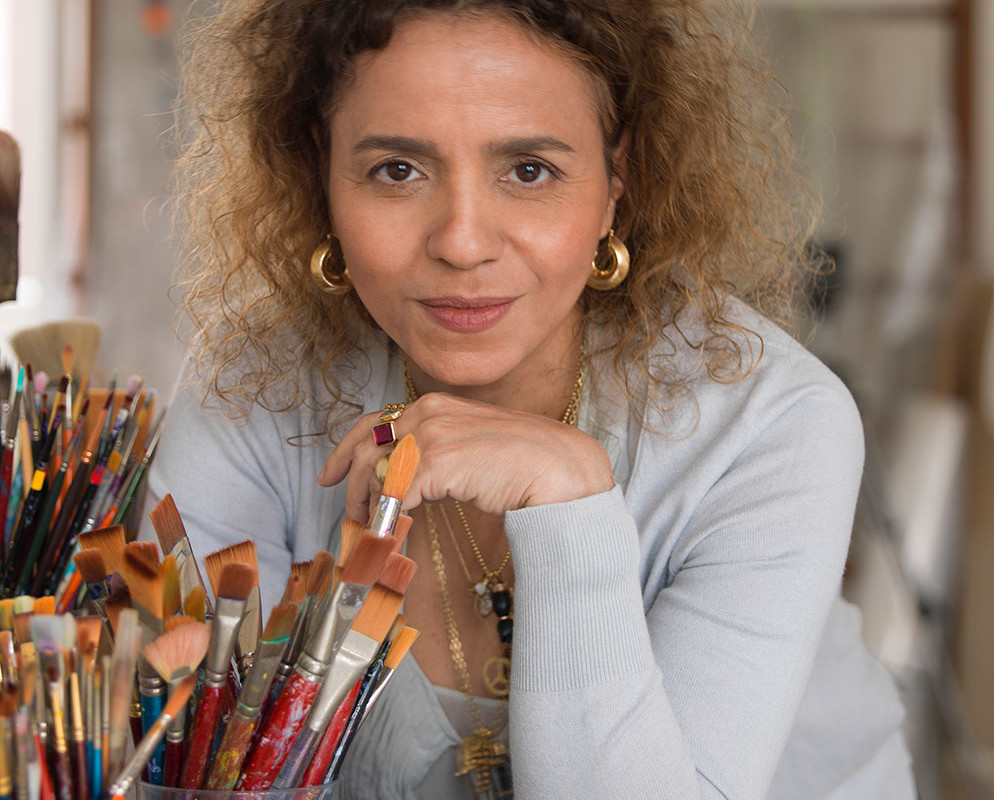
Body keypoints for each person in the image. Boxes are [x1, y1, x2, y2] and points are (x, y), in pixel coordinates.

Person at [142, 0, 916, 797]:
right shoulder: (252, 389)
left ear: (618, 179)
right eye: (397, 170)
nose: (463, 242)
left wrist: (571, 507)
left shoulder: (772, 425)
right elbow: (209, 769)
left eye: (529, 170)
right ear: (322, 172)